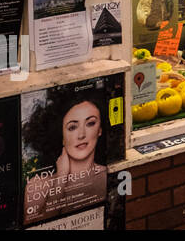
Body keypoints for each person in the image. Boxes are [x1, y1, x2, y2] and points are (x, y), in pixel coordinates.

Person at [22, 86, 116, 225]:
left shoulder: (109, 175)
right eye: (72, 127)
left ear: (100, 129)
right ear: (61, 135)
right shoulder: (37, 186)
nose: (82, 135)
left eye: (90, 123)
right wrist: (61, 179)